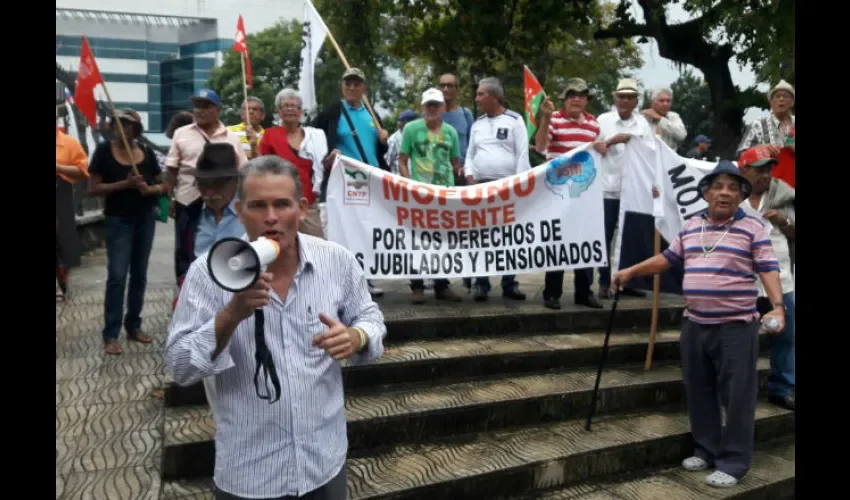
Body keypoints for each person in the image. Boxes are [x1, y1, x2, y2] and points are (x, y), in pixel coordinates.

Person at [165, 155, 386, 500]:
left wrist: (356, 337)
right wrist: (231, 314)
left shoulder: (336, 260)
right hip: (250, 473)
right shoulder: (207, 273)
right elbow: (180, 366)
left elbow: (371, 318)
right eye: (258, 206)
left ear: (301, 208)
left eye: (282, 204)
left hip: (323, 463)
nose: (271, 218)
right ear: (239, 210)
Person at [612, 160, 785, 489]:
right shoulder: (692, 225)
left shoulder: (752, 228)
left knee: (737, 396)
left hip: (736, 327)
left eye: (733, 188)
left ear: (741, 195)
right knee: (699, 390)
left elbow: (767, 267)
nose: (724, 193)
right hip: (695, 324)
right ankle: (706, 448)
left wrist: (778, 305)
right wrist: (631, 271)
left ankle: (734, 461)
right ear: (705, 193)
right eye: (718, 187)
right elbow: (668, 259)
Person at [88, 109, 166, 355]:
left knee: (140, 275)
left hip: (145, 218)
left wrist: (149, 188)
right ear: (112, 127)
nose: (123, 128)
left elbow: (161, 183)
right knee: (117, 276)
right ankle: (111, 333)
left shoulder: (147, 152)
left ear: (137, 129)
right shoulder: (103, 152)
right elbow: (93, 189)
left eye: (129, 125)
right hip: (118, 220)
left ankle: (134, 325)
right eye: (119, 124)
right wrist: (125, 184)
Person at [313, 67, 389, 297]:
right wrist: (326, 156)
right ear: (342, 86)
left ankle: (366, 277)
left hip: (371, 180)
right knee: (344, 229)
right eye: (348, 83)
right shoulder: (333, 111)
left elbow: (379, 150)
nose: (352, 87)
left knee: (367, 229)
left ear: (364, 88)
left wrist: (384, 140)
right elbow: (314, 137)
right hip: (343, 182)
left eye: (357, 84)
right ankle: (341, 280)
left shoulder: (372, 113)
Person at [165, 89, 248, 288]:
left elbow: (243, 169)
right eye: (197, 106)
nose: (200, 111)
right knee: (185, 249)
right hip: (188, 199)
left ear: (218, 110)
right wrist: (170, 197)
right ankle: (186, 289)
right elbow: (171, 168)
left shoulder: (231, 137)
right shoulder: (181, 133)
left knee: (228, 243)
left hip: (224, 202)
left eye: (206, 106)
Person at [533, 77, 603, 310]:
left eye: (581, 95)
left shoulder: (594, 125)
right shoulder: (554, 120)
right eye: (572, 94)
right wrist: (544, 118)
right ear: (564, 99)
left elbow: (597, 154)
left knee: (586, 240)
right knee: (557, 242)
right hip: (557, 191)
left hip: (584, 191)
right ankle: (551, 293)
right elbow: (541, 146)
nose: (577, 98)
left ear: (586, 100)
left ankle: (584, 292)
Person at [738, 146, 795, 411]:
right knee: (742, 340)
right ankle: (741, 391)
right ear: (744, 170)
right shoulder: (731, 197)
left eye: (768, 169)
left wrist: (785, 222)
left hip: (781, 281)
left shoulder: (784, 196)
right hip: (743, 284)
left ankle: (781, 389)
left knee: (784, 338)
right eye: (759, 169)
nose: (765, 175)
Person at [465, 77, 531, 302]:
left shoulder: (515, 121)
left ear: (494, 96)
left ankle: (509, 283)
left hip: (507, 186)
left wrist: (517, 185)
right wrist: (468, 174)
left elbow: (523, 153)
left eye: (481, 94)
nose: (477, 99)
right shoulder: (478, 124)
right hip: (481, 185)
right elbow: (470, 154)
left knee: (508, 237)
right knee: (480, 236)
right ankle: (481, 284)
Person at [398, 88, 463, 304]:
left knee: (442, 240)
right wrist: (409, 184)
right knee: (416, 240)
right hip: (419, 194)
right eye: (429, 105)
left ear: (443, 107)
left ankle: (441, 284)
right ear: (423, 107)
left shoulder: (451, 132)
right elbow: (402, 160)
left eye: (436, 104)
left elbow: (456, 163)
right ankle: (417, 286)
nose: (433, 109)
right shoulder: (410, 129)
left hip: (444, 193)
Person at [594, 78, 655, 299]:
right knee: (604, 235)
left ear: (636, 101)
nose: (625, 101)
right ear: (615, 98)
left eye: (630, 97)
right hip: (607, 188)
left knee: (630, 235)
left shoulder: (642, 124)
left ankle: (628, 281)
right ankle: (603, 281)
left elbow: (651, 153)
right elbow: (594, 146)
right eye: (621, 96)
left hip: (633, 190)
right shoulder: (603, 120)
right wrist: (611, 142)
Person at [259, 88, 328, 238]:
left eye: (294, 106)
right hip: (279, 204)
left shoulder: (314, 137)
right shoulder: (270, 135)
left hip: (307, 204)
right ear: (279, 111)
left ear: (301, 111)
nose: (290, 109)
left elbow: (322, 167)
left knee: (316, 246)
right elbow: (262, 168)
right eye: (285, 106)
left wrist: (333, 158)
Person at [56, 125, 90, 300]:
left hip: (60, 196)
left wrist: (58, 167)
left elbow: (82, 171)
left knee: (62, 242)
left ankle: (62, 282)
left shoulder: (68, 143)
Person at [385, 110, 418, 175]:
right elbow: (387, 162)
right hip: (399, 179)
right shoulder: (393, 139)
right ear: (406, 123)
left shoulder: (416, 136)